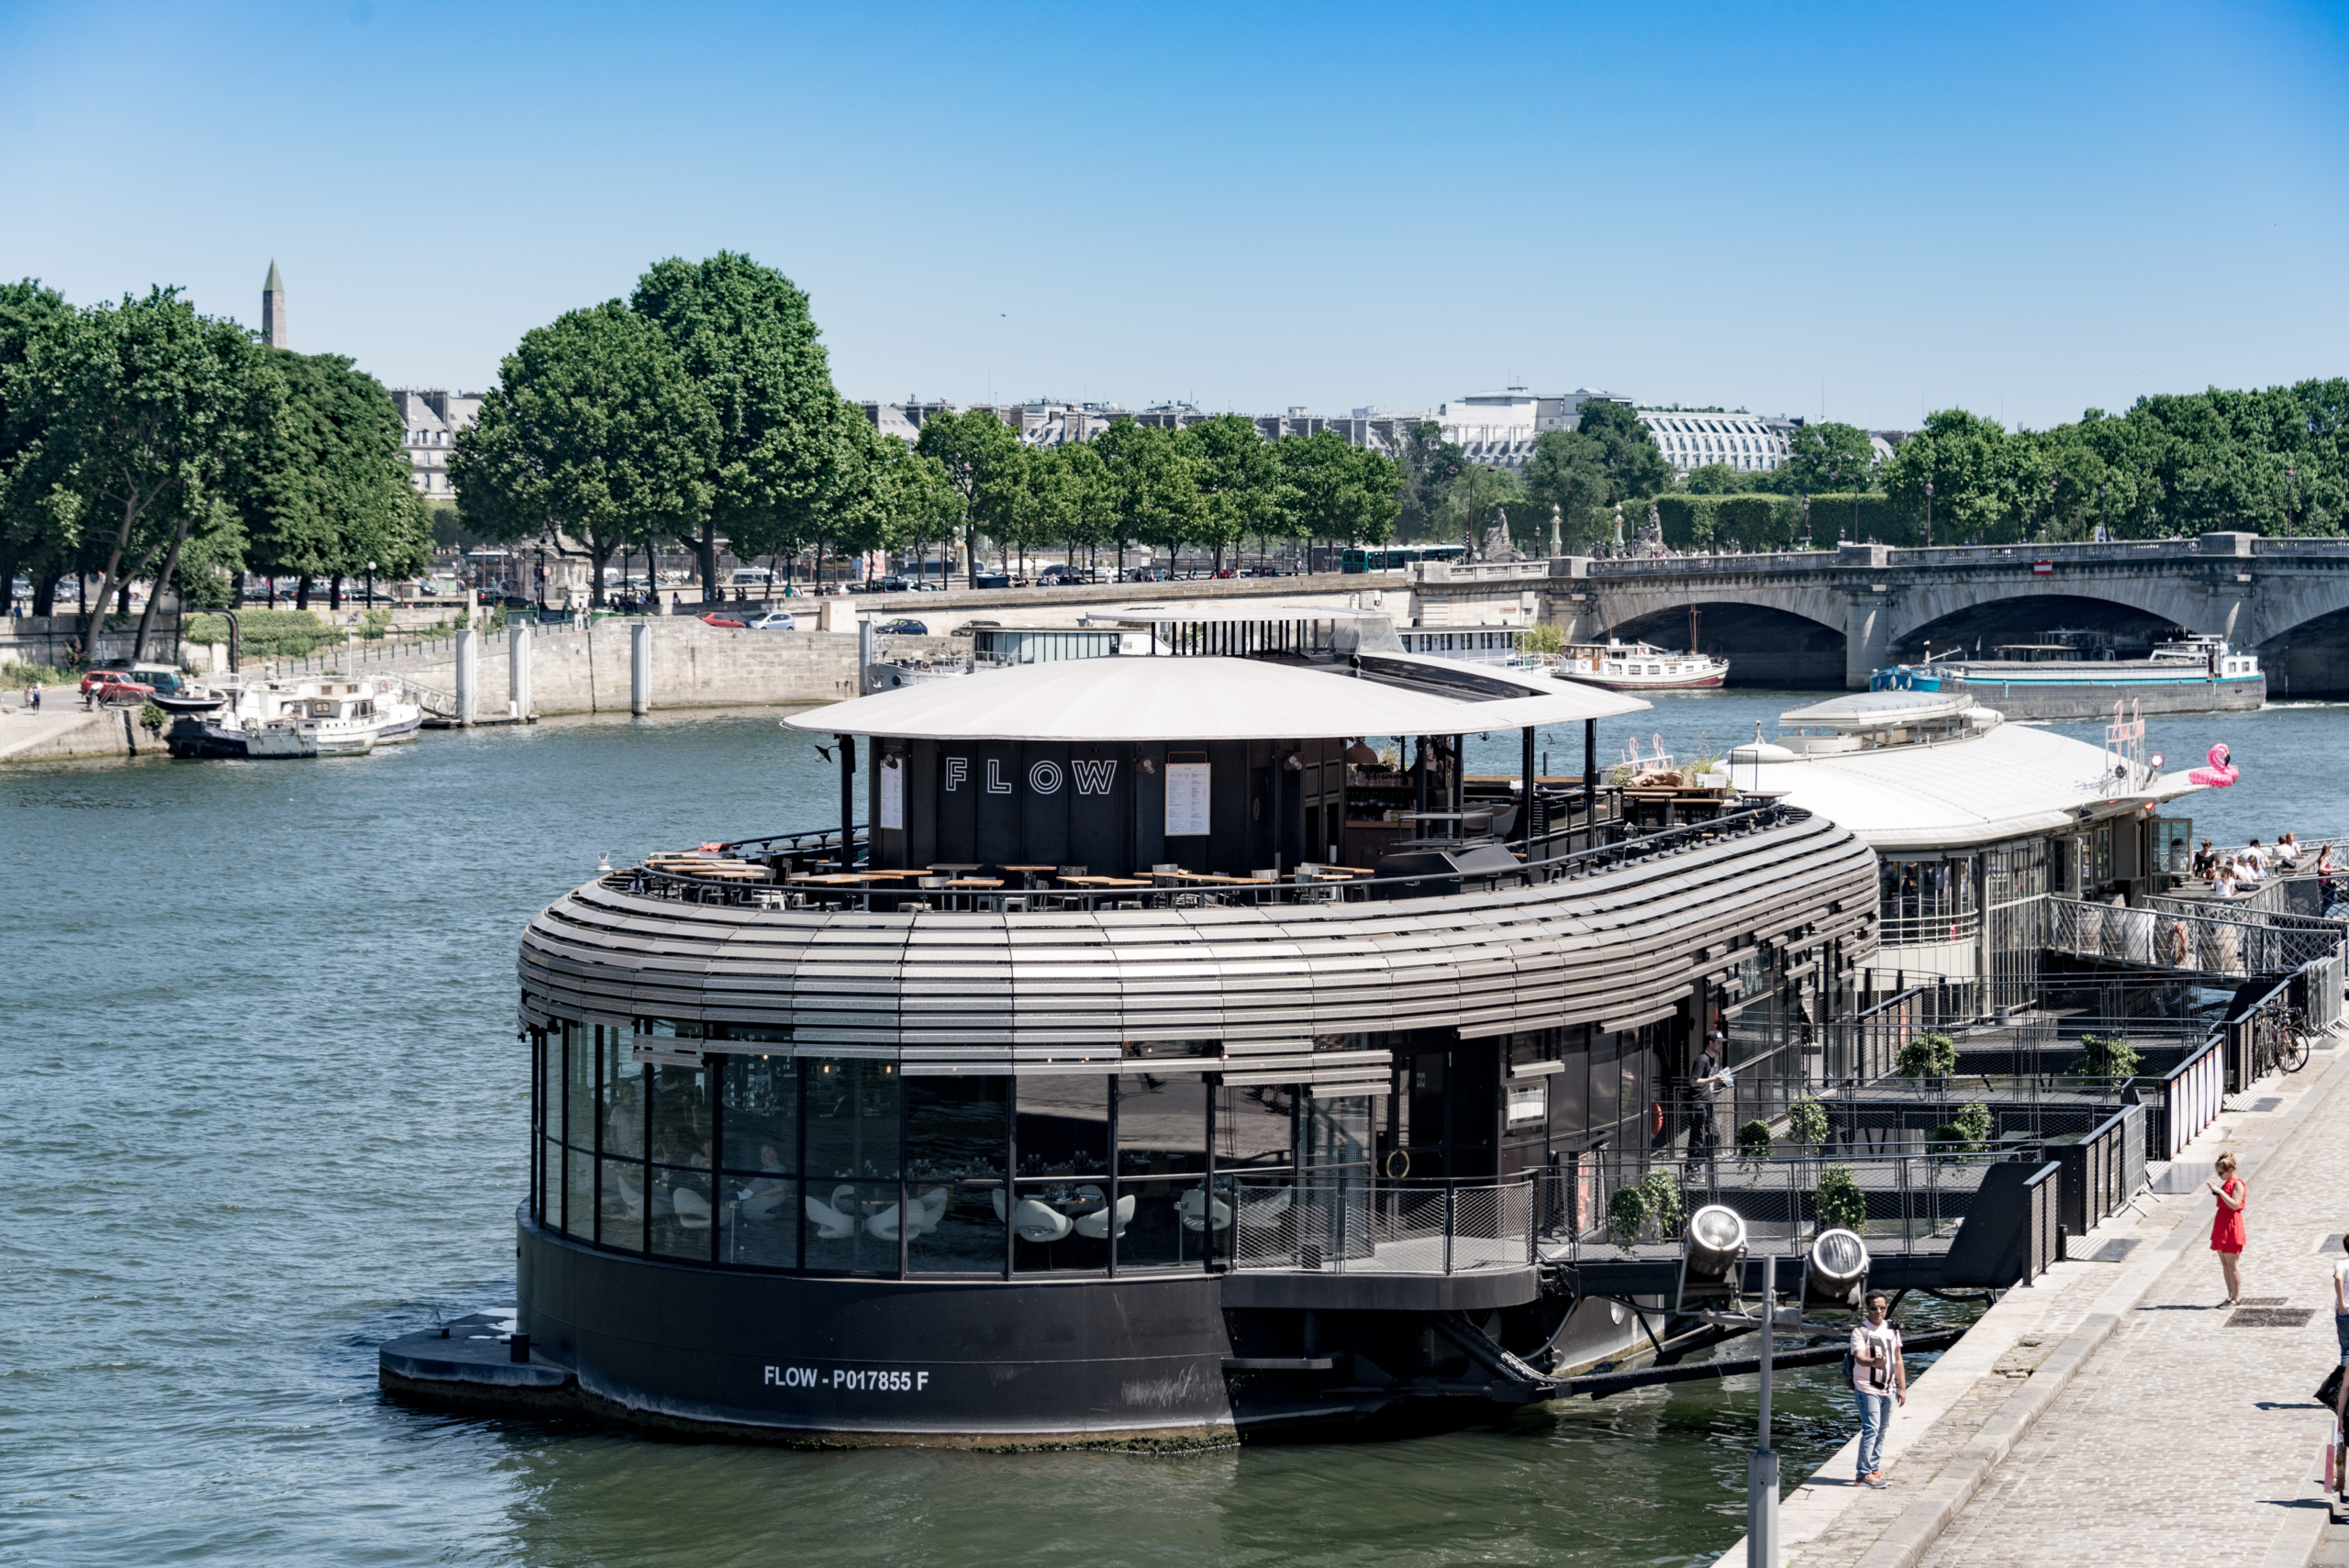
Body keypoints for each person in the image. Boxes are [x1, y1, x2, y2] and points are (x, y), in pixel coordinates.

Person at [1848, 1290, 1907, 1488]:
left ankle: (1874, 1470)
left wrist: (1902, 1387)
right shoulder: (1860, 1331)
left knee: (1881, 1431)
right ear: (1868, 1308)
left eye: (1882, 1308)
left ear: (1886, 1307)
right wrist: (1873, 1362)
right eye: (1874, 1308)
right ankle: (1863, 1473)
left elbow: (1898, 1359)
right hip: (1867, 1388)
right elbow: (1859, 1358)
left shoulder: (1892, 1330)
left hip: (1889, 1389)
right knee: (1871, 1429)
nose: (1878, 1312)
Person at [2208, 1151, 2247, 1306]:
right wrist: (2217, 1191)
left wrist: (2219, 1192)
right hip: (2221, 1223)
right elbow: (2223, 1202)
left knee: (2232, 1264)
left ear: (2230, 1170)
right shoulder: (2226, 1183)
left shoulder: (2237, 1183)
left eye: (2221, 1173)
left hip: (2232, 1224)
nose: (2219, 1176)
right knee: (2225, 1264)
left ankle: (2236, 1298)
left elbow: (2235, 1205)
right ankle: (2230, 1296)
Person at [1687, 1031, 1731, 1157]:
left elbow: (1708, 1077)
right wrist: (1714, 1079)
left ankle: (1699, 1159)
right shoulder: (1702, 1060)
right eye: (1719, 1043)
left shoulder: (1713, 1059)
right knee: (1697, 1137)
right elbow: (1693, 1082)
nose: (1721, 1046)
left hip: (1707, 1102)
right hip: (1697, 1102)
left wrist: (1719, 1078)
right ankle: (1692, 1166)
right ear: (1711, 1043)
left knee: (1716, 1133)